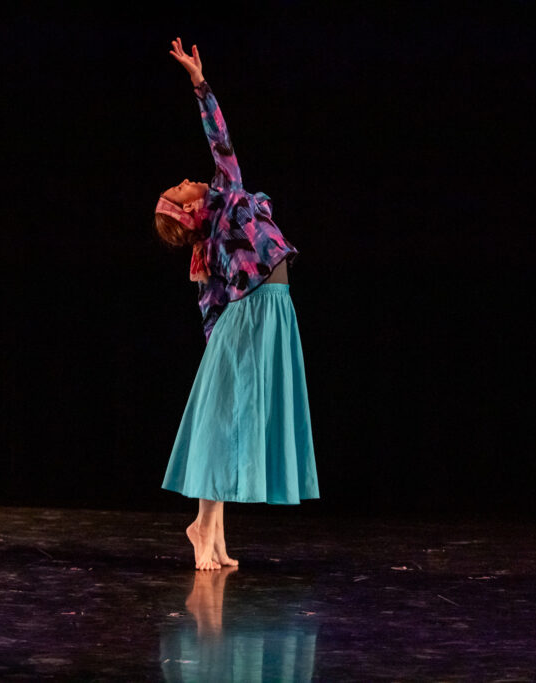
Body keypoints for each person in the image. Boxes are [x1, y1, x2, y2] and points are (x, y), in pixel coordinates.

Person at [156, 38, 319, 571]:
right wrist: (200, 85)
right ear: (188, 212)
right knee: (224, 422)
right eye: (180, 189)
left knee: (237, 423)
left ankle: (217, 536)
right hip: (247, 318)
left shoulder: (228, 209)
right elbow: (220, 142)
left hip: (273, 310)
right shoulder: (222, 211)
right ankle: (202, 527)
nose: (187, 180)